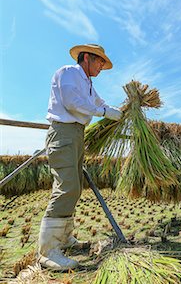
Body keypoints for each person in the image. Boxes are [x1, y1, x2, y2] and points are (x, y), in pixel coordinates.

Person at [38, 44, 122, 270]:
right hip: (63, 133)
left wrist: (116, 111)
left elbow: (99, 103)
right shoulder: (69, 73)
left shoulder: (88, 83)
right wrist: (104, 113)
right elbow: (71, 102)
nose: (102, 67)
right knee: (66, 187)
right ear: (86, 57)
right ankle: (47, 252)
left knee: (75, 186)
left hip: (76, 135)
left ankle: (64, 238)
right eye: (99, 62)